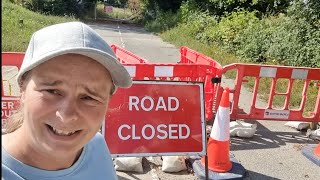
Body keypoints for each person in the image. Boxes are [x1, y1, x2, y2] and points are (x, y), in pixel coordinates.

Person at [2, 21, 132, 180]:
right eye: (52, 91)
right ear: (22, 89)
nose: (67, 115)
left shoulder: (96, 146)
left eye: (88, 97)